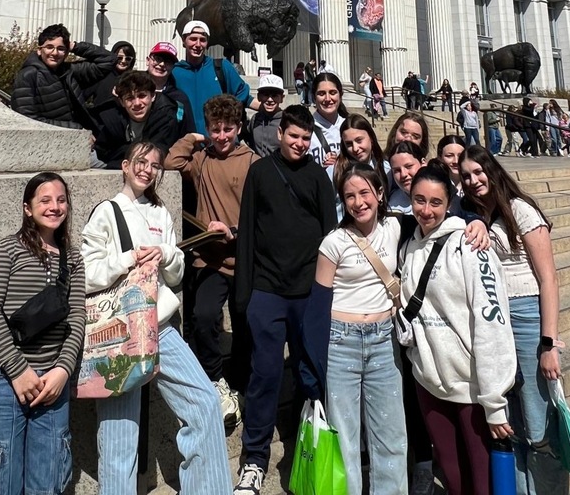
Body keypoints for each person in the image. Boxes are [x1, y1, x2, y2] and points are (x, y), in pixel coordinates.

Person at [81, 141, 231, 495]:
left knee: (205, 403)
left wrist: (164, 253)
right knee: (119, 434)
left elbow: (177, 275)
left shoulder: (161, 213)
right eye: (140, 161)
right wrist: (128, 259)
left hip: (159, 325)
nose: (147, 169)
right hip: (119, 333)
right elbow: (86, 273)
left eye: (154, 164)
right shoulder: (107, 211)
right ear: (124, 165)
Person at [233, 105, 337, 493]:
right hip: (267, 290)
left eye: (305, 138)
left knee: (311, 374)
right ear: (280, 134)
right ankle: (255, 459)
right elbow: (247, 232)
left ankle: (306, 449)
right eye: (294, 136)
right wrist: (244, 294)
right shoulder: (260, 172)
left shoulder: (317, 176)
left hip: (310, 292)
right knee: (265, 374)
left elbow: (331, 233)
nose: (299, 143)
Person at [399, 161, 516, 495]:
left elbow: (491, 320)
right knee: (454, 480)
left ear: (449, 203)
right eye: (419, 200)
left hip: (472, 387)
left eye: (435, 202)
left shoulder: (469, 244)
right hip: (429, 381)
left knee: (483, 484)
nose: (426, 209)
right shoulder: (409, 247)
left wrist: (494, 401)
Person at [459, 146, 570, 495]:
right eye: (466, 176)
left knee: (539, 428)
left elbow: (548, 278)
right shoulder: (476, 213)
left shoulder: (521, 210)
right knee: (513, 424)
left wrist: (548, 343)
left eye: (479, 172)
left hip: (525, 316)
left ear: (493, 171)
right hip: (495, 319)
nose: (474, 181)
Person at [0, 172, 86, 495]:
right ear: (27, 208)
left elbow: (77, 317)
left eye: (61, 200)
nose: (54, 207)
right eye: (45, 200)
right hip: (4, 381)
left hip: (52, 384)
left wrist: (63, 370)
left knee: (48, 479)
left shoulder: (73, 258)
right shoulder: (8, 249)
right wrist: (19, 371)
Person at [314, 164, 408, 495]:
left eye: (365, 193)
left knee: (391, 433)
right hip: (342, 341)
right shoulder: (334, 242)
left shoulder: (395, 227)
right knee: (345, 435)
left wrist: (477, 226)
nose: (358, 202)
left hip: (384, 339)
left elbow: (435, 212)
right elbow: (319, 305)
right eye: (350, 195)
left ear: (380, 194)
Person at [166, 95, 260, 425]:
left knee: (244, 322)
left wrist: (235, 230)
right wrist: (192, 138)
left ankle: (239, 384)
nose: (221, 136)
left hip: (243, 256)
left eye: (228, 129)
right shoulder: (201, 159)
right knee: (203, 317)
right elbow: (170, 163)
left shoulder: (252, 161)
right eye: (215, 130)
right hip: (209, 258)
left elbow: (260, 210)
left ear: (238, 128)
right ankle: (214, 378)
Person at [11, 23, 114, 132]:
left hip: (77, 137)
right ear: (39, 50)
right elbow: (26, 119)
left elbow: (109, 60)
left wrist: (75, 46)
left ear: (66, 53)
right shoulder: (28, 75)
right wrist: (74, 128)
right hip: (48, 139)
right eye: (49, 47)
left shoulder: (70, 71)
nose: (54, 53)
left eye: (60, 49)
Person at [172, 20, 254, 134]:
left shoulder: (222, 67)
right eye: (193, 39)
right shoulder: (174, 72)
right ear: (183, 41)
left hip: (219, 143)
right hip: (187, 143)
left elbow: (244, 96)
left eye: (203, 40)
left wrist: (276, 112)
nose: (198, 44)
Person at [92, 70, 181, 168]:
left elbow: (156, 155)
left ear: (152, 96)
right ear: (122, 102)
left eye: (142, 96)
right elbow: (103, 153)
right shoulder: (112, 118)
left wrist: (122, 152)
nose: (137, 103)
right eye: (130, 98)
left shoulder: (166, 116)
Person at [328, 114, 391, 220]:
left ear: (371, 138)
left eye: (359, 140)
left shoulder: (386, 169)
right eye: (348, 144)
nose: (355, 148)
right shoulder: (335, 170)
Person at [145, 41, 195, 133]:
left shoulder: (180, 99)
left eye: (168, 61)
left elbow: (188, 133)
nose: (162, 64)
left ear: (173, 67)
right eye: (158, 58)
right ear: (148, 60)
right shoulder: (132, 87)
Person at [308, 71, 348, 166]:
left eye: (333, 93)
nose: (327, 99)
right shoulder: (306, 129)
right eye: (321, 94)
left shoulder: (350, 126)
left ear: (340, 95)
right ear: (314, 97)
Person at [84, 40, 136, 107]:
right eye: (119, 58)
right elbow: (81, 97)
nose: (123, 61)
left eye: (128, 59)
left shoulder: (133, 80)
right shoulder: (101, 75)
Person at [245, 74, 285, 157]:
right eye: (266, 95)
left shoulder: (287, 120)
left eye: (274, 96)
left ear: (281, 98)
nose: (270, 100)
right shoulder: (255, 119)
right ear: (259, 97)